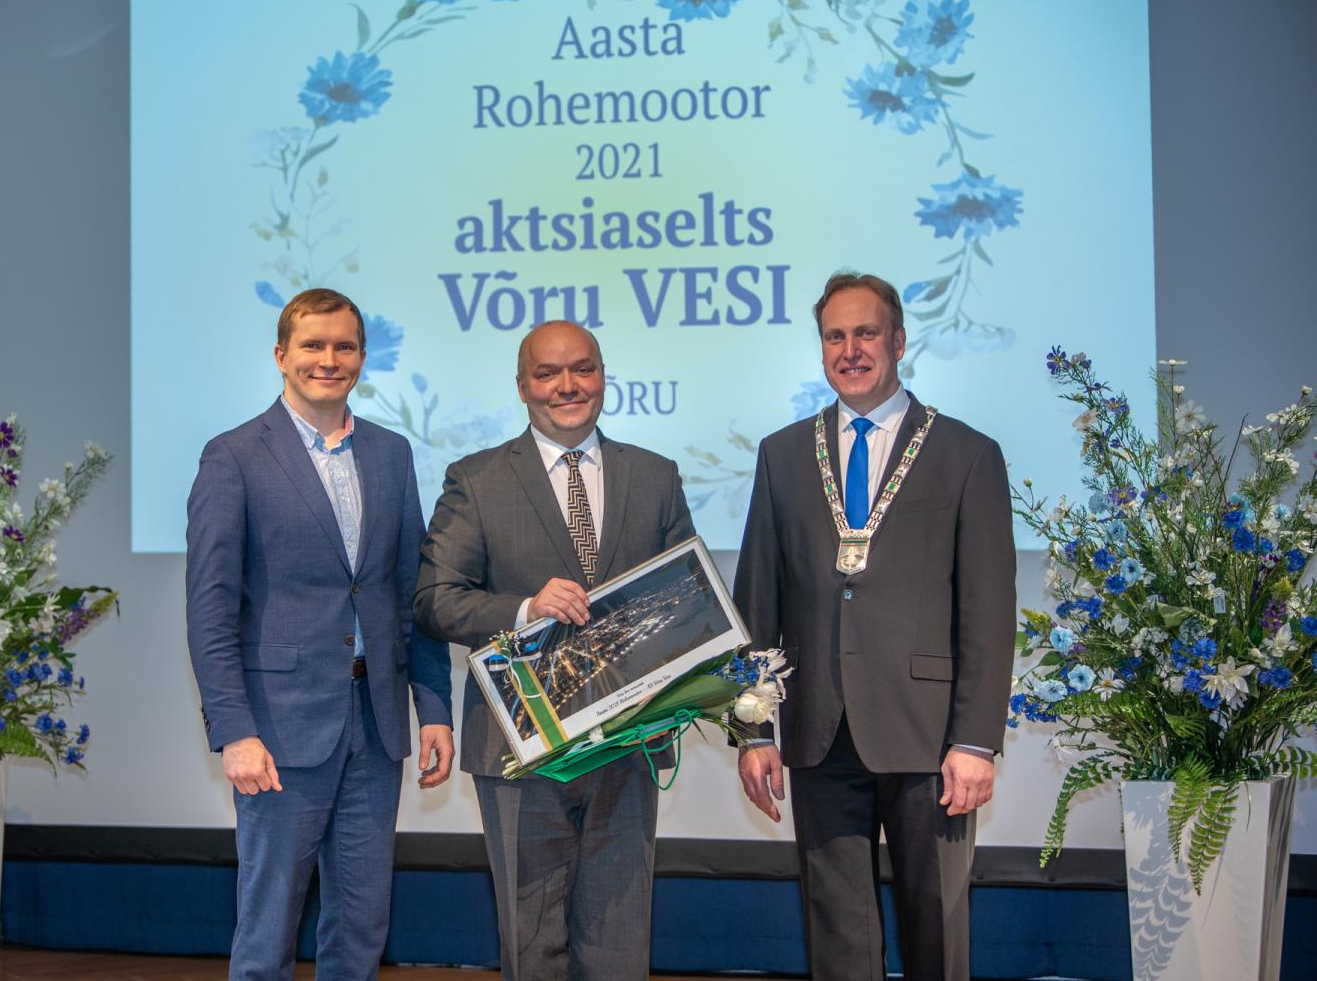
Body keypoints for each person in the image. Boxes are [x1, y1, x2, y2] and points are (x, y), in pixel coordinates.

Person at [733, 271, 1015, 981]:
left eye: (865, 333)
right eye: (835, 336)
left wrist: (976, 740)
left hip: (931, 737)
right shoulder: (782, 454)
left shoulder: (966, 453)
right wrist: (753, 731)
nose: (850, 350)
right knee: (837, 937)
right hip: (818, 729)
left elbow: (988, 611)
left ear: (898, 341)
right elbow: (757, 600)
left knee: (935, 928)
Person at [185, 288, 454, 981]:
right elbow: (210, 610)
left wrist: (433, 708)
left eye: (344, 346)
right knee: (268, 928)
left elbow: (409, 594)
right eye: (312, 345)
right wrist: (234, 730)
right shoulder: (233, 456)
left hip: (376, 724)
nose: (328, 359)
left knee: (362, 927)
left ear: (362, 358)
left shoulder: (391, 453)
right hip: (279, 730)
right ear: (281, 355)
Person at [414, 320, 695, 981]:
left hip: (628, 745)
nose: (567, 386)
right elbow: (434, 600)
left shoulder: (655, 476)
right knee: (531, 945)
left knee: (619, 945)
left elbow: (689, 600)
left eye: (582, 368)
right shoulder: (476, 480)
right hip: (519, 749)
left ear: (603, 376)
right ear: (522, 386)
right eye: (547, 373)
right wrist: (524, 610)